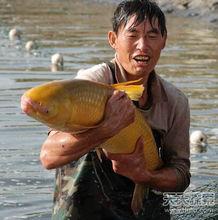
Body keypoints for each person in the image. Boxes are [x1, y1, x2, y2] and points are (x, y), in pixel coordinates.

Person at [40, 0, 190, 219]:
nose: (142, 45)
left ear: (164, 41)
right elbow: (49, 157)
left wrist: (144, 175)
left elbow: (181, 176)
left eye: (152, 35)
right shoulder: (92, 83)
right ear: (113, 40)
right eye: (133, 35)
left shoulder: (175, 101)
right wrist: (106, 129)